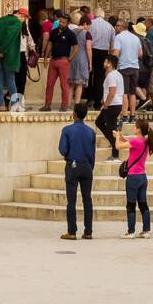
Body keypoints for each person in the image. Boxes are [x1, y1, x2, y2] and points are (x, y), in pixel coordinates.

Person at [58, 101, 96, 240]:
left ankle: (72, 231)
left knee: (71, 200)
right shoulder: (91, 132)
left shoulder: (67, 130)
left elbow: (62, 149)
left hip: (72, 165)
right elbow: (93, 153)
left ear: (74, 114)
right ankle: (88, 231)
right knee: (87, 199)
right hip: (86, 166)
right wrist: (89, 166)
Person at [114, 120, 153, 238]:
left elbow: (118, 146)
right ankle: (146, 230)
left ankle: (131, 231)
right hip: (142, 177)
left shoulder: (136, 141)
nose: (134, 128)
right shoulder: (146, 142)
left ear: (139, 129)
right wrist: (121, 136)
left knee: (131, 204)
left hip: (133, 177)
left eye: (135, 127)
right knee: (143, 204)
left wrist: (117, 137)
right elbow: (130, 143)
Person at [0, 9, 27, 110]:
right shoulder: (17, 23)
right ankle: (15, 105)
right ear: (20, 15)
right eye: (24, 17)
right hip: (9, 56)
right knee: (11, 79)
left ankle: (2, 105)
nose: (24, 20)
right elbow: (9, 37)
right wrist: (2, 51)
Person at [112, 18, 143, 121]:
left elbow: (116, 53)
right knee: (132, 92)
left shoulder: (119, 37)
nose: (115, 28)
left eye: (116, 26)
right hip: (135, 67)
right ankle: (133, 116)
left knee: (124, 92)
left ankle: (125, 115)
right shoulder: (135, 37)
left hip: (123, 67)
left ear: (121, 27)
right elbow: (140, 54)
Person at [43, 12, 75, 111]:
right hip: (53, 60)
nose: (61, 23)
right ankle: (47, 105)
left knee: (64, 84)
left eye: (63, 22)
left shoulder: (70, 34)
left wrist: (70, 58)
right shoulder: (54, 31)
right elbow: (50, 44)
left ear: (68, 23)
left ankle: (64, 105)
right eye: (60, 21)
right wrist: (45, 57)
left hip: (63, 61)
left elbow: (76, 47)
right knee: (49, 84)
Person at [95, 53, 124, 159]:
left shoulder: (111, 75)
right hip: (116, 104)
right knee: (100, 122)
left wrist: (106, 104)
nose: (104, 63)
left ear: (110, 64)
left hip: (112, 105)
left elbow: (112, 91)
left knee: (110, 129)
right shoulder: (117, 74)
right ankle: (114, 141)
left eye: (105, 62)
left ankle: (115, 151)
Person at [88, 11, 115, 108]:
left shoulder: (91, 24)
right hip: (104, 52)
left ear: (95, 15)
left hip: (91, 50)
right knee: (100, 78)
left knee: (89, 75)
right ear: (103, 16)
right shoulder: (110, 26)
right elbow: (112, 44)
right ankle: (98, 102)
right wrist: (110, 56)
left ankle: (89, 98)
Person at [68, 13, 92, 106]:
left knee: (71, 84)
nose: (89, 27)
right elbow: (89, 48)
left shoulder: (73, 31)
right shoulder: (87, 33)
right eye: (89, 25)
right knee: (79, 84)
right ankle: (77, 104)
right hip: (82, 59)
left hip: (72, 58)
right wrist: (90, 63)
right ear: (85, 24)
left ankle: (68, 104)